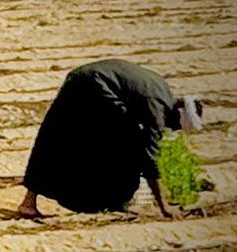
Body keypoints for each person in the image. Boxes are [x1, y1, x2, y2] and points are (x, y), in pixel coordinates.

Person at [18, 59, 205, 220]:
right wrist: (164, 206)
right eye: (175, 126)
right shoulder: (157, 108)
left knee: (56, 136)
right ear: (176, 116)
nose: (170, 129)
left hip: (81, 77)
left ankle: (29, 202)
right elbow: (150, 158)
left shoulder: (161, 89)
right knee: (126, 142)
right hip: (96, 85)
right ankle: (110, 198)